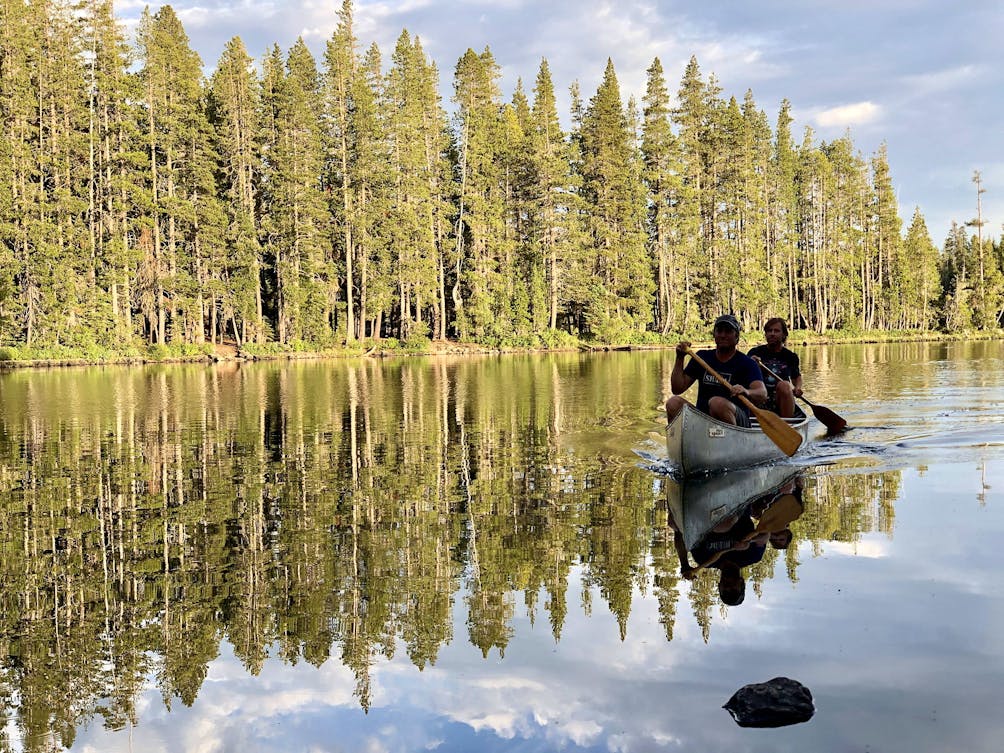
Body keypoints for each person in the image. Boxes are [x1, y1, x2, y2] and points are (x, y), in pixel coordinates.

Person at [665, 314, 767, 427]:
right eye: (719, 331)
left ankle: (729, 440)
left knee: (716, 403)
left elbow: (762, 394)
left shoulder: (747, 363)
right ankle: (683, 442)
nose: (723, 335)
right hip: (704, 418)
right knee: (673, 403)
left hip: (737, 421)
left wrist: (747, 391)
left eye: (728, 331)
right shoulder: (702, 357)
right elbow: (677, 389)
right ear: (714, 335)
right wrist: (680, 358)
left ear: (737, 337)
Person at [667, 503, 767, 606]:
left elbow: (681, 534)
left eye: (725, 591)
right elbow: (766, 534)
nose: (728, 587)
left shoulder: (703, 559)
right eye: (733, 590)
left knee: (673, 523)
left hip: (704, 510)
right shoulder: (752, 556)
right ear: (742, 583)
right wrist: (750, 541)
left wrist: (684, 564)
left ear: (719, 586)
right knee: (723, 526)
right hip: (739, 504)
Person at [747, 318, 802, 418]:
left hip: (780, 399)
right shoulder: (755, 352)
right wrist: (751, 363)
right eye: (769, 331)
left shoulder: (790, 356)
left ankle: (787, 423)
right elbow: (743, 375)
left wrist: (797, 388)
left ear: (784, 335)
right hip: (760, 398)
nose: (772, 334)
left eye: (776, 331)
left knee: (784, 385)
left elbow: (796, 377)